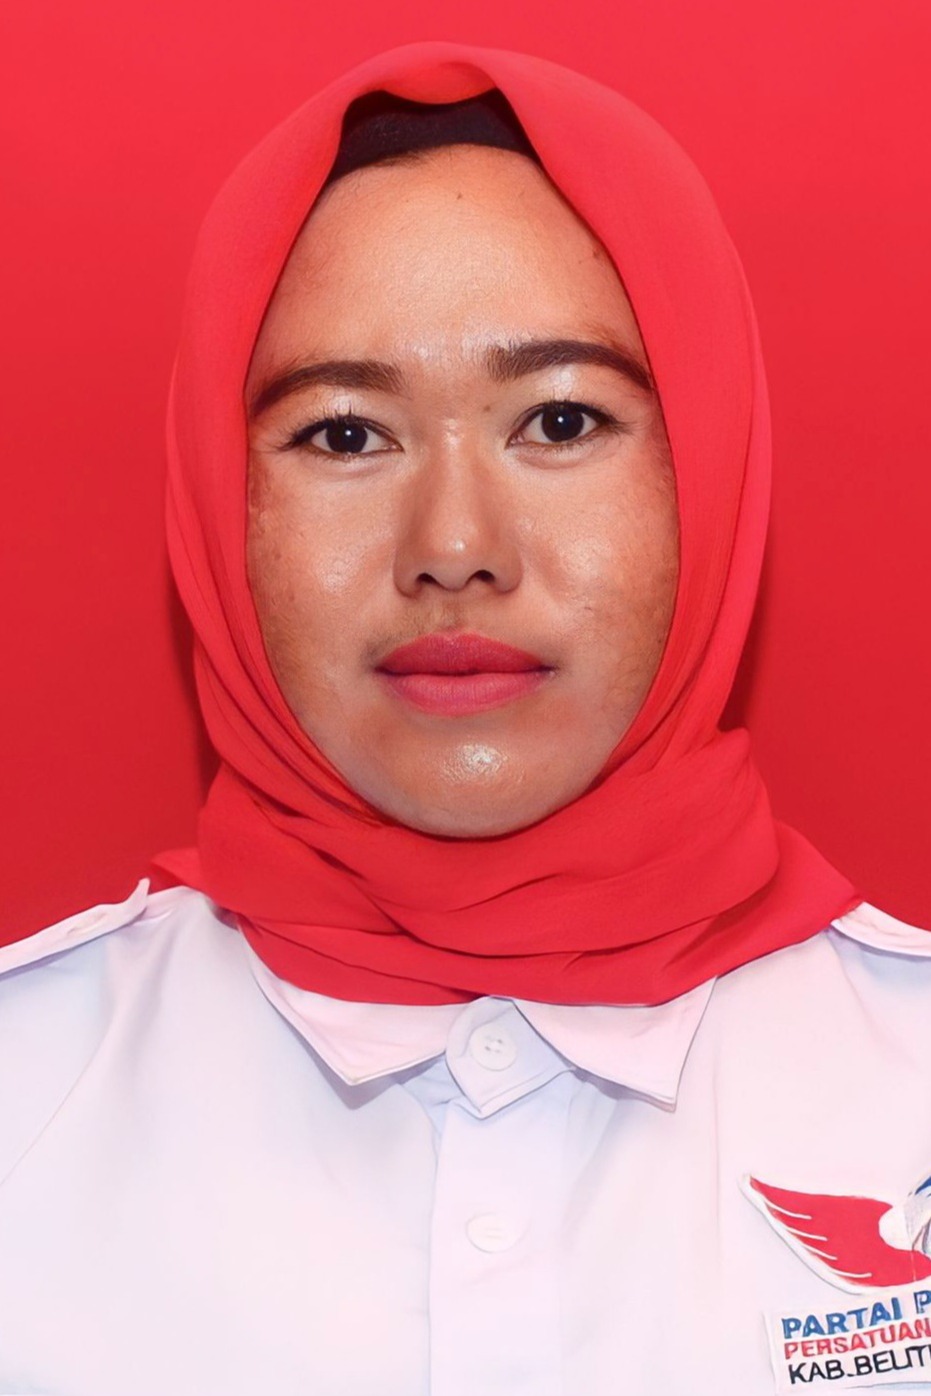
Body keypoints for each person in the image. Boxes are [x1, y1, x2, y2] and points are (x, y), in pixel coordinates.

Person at [1, 40, 929, 1396]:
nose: (453, 548)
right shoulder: (27, 1092)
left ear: (712, 468)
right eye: (343, 435)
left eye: (560, 421)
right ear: (217, 505)